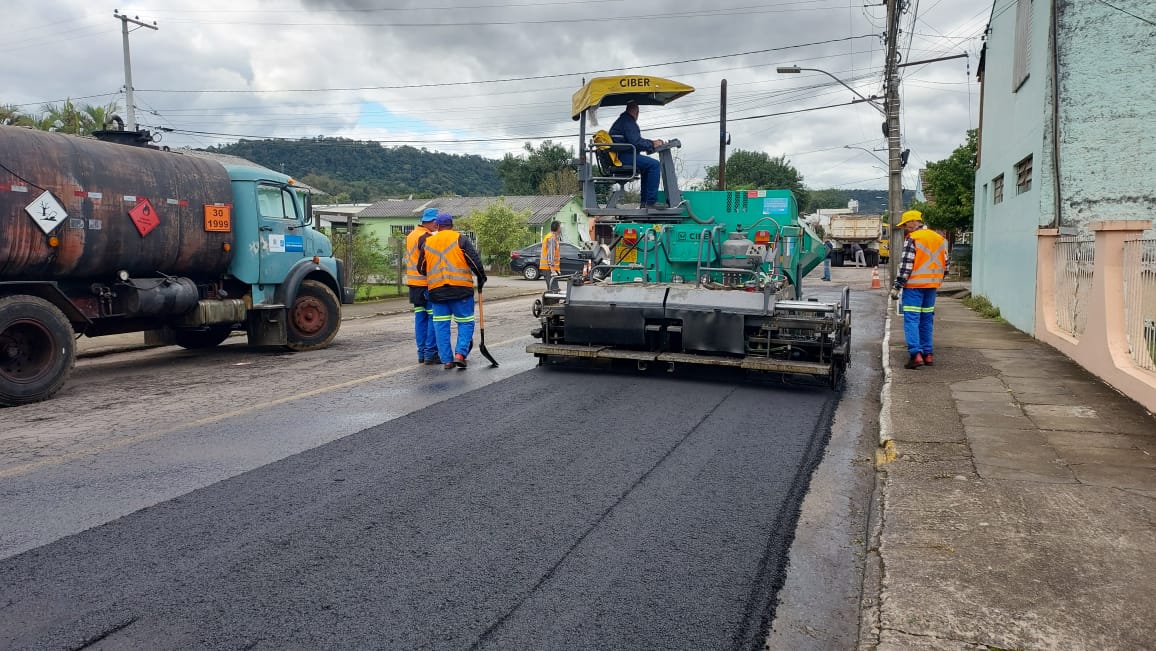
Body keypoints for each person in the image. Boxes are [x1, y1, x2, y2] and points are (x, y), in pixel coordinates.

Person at [420, 212, 487, 370]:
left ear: (437, 226)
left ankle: (447, 360)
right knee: (465, 323)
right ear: (452, 225)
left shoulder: (427, 242)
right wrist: (481, 277)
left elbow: (421, 268)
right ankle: (460, 354)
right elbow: (474, 261)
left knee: (441, 326)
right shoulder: (460, 239)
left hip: (436, 292)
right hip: (460, 291)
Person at [889, 210, 949, 369]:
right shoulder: (939, 238)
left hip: (914, 287)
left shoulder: (913, 239)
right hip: (931, 287)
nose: (905, 229)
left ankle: (915, 355)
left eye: (905, 225)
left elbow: (906, 265)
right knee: (926, 320)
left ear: (912, 222)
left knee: (912, 319)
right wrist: (936, 280)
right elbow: (946, 264)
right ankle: (927, 354)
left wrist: (897, 286)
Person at [609, 101, 665, 209]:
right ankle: (651, 202)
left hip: (622, 154)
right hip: (623, 156)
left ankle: (645, 202)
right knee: (654, 165)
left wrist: (650, 144)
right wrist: (653, 143)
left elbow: (634, 142)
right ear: (636, 112)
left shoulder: (623, 121)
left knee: (646, 168)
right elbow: (636, 141)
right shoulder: (628, 122)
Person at [406, 208, 440, 365]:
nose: (437, 226)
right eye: (436, 223)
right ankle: (430, 353)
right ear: (432, 222)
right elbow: (430, 260)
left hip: (413, 285)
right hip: (426, 283)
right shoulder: (426, 237)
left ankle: (421, 353)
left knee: (420, 318)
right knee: (434, 318)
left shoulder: (411, 235)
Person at [540, 220, 562, 291]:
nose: (561, 229)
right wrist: (553, 271)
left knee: (553, 289)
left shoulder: (552, 237)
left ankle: (552, 302)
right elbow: (550, 255)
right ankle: (551, 302)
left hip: (548, 268)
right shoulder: (551, 238)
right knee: (554, 290)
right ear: (557, 228)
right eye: (560, 227)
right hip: (548, 268)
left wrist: (556, 270)